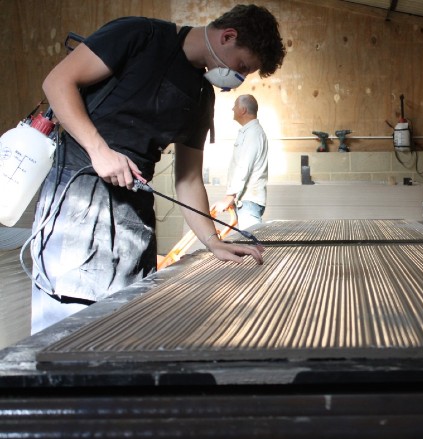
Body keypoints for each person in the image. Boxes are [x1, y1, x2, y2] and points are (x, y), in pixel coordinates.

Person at [29, 4, 286, 334]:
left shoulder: (201, 95)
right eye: (241, 67)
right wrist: (99, 150)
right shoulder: (139, 35)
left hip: (132, 212)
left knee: (126, 322)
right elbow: (58, 81)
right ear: (228, 36)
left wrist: (212, 240)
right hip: (77, 196)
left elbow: (189, 177)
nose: (236, 81)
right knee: (66, 327)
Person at [211, 94, 268, 230]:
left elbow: (243, 167)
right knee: (247, 244)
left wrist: (229, 197)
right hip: (246, 200)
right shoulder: (249, 132)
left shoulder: (253, 134)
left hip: (249, 202)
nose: (232, 109)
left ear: (242, 110)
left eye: (235, 106)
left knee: (252, 244)